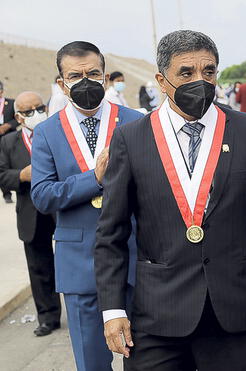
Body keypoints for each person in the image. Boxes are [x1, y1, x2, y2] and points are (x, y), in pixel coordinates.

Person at [94, 30, 246, 370]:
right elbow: (111, 234)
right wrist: (113, 310)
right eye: (186, 73)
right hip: (157, 315)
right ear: (161, 81)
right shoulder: (131, 139)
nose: (201, 81)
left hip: (235, 309)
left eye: (209, 71)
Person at [30, 41, 142, 371]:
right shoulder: (47, 133)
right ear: (62, 83)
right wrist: (95, 178)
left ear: (105, 77)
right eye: (75, 75)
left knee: (146, 358)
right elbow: (42, 195)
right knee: (91, 362)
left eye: (93, 73)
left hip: (136, 255)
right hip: (80, 264)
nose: (85, 81)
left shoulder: (135, 122)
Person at [0, 91, 61, 336]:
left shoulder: (58, 133)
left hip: (62, 209)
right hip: (31, 213)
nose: (35, 114)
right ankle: (48, 317)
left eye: (39, 108)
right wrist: (21, 176)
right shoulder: (7, 143)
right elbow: (2, 175)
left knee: (77, 260)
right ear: (18, 116)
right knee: (39, 267)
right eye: (28, 112)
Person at [0, 80, 19, 203]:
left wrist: (8, 125)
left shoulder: (11, 103)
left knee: (11, 164)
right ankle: (6, 194)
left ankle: (17, 188)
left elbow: (17, 119)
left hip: (8, 137)